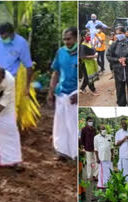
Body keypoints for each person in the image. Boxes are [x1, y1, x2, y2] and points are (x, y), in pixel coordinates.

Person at [0, 22, 38, 129]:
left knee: (6, 106)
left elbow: (28, 66)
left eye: (5, 36)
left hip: (9, 79)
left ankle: (9, 128)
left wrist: (27, 87)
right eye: (1, 35)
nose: (3, 38)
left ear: (12, 33)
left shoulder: (21, 43)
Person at [47, 27, 78, 161]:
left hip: (74, 95)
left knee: (74, 125)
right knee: (61, 124)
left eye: (69, 39)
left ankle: (76, 154)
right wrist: (51, 91)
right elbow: (56, 72)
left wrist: (79, 94)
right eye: (64, 39)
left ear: (76, 38)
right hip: (61, 93)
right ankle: (62, 152)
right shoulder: (60, 52)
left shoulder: (80, 52)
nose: (66, 42)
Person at [106, 26, 128, 106]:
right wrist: (117, 60)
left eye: (120, 33)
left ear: (125, 33)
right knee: (119, 88)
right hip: (118, 71)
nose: (118, 35)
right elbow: (108, 56)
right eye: (117, 34)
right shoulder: (113, 45)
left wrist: (126, 59)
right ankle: (121, 103)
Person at [79, 30, 100, 96]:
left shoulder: (89, 43)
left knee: (86, 77)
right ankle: (93, 90)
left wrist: (94, 45)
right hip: (86, 64)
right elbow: (82, 57)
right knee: (89, 78)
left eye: (89, 35)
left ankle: (82, 88)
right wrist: (93, 56)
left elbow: (92, 50)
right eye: (88, 35)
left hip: (90, 63)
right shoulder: (83, 45)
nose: (89, 36)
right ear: (83, 37)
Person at [81, 117, 98, 181]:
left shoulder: (94, 129)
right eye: (90, 121)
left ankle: (94, 175)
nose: (91, 122)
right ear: (87, 122)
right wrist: (83, 147)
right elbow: (82, 139)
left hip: (95, 148)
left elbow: (96, 139)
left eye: (92, 121)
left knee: (96, 162)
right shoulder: (84, 129)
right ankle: (88, 176)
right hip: (87, 148)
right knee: (89, 163)